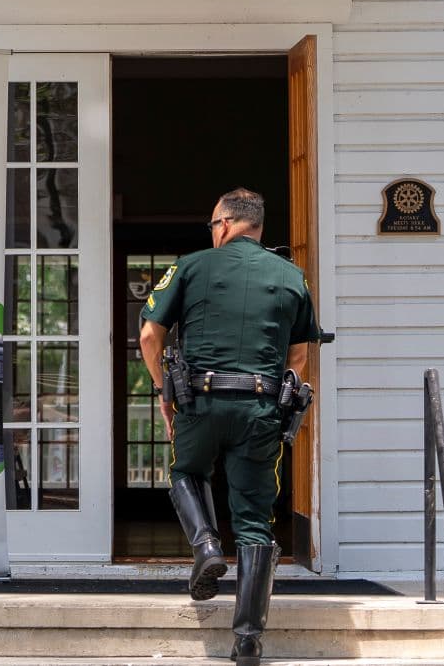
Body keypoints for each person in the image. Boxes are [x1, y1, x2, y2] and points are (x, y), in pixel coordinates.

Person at [138, 187, 318, 666]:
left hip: (201, 398)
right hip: (261, 404)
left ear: (222, 224)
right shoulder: (292, 276)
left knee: (186, 472)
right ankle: (247, 640)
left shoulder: (190, 266)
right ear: (257, 227)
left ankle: (207, 545)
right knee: (256, 522)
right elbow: (299, 358)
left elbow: (150, 334)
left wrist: (164, 391)